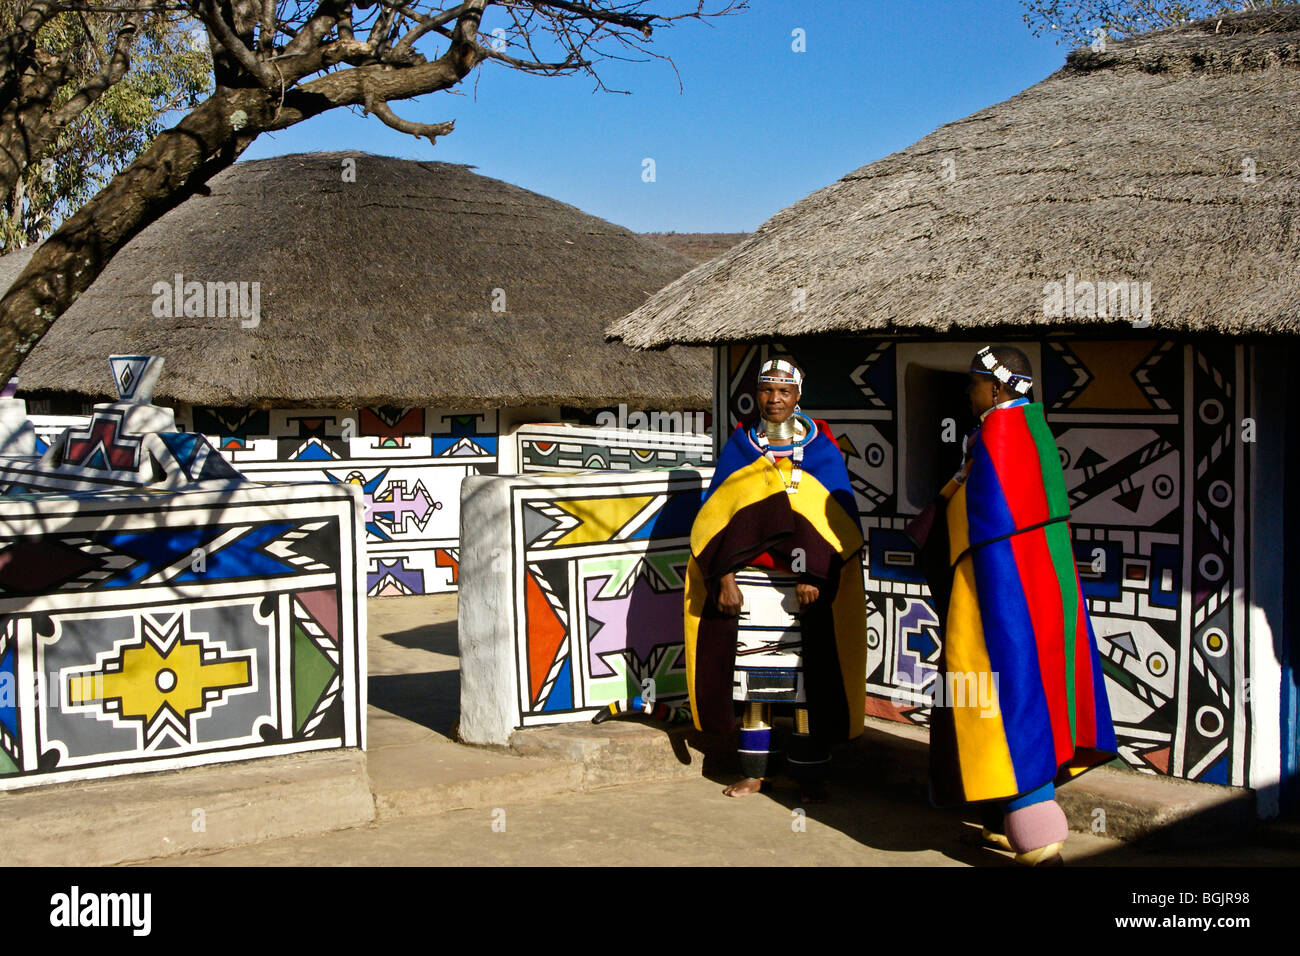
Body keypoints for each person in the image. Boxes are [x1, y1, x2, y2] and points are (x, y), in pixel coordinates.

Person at [911, 345, 1117, 865]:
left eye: (974, 383)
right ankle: (1005, 820)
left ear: (998, 389)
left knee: (1003, 698)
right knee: (1031, 691)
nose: (968, 392)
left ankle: (1040, 841)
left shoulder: (1002, 435)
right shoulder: (1033, 431)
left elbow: (987, 527)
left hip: (998, 601)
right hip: (1040, 595)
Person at [683, 357, 866, 799]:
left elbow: (836, 520)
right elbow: (717, 516)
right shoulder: (741, 447)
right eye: (767, 389)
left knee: (807, 685)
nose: (775, 398)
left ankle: (808, 778)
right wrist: (723, 574)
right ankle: (753, 772)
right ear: (757, 394)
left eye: (785, 391)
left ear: (798, 396)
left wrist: (816, 574)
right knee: (753, 684)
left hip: (805, 587)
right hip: (752, 583)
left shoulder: (821, 449)